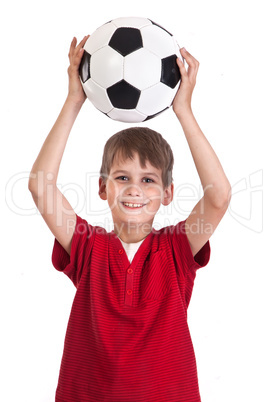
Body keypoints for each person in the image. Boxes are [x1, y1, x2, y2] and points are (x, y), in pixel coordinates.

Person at [28, 36, 231, 402]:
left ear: (167, 194)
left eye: (148, 180)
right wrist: (74, 100)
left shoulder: (176, 248)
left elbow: (218, 196)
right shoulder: (87, 247)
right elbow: (41, 188)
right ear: (104, 188)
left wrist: (183, 110)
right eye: (123, 178)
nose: (134, 189)